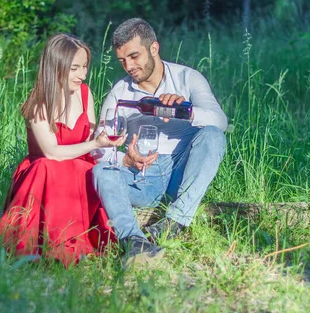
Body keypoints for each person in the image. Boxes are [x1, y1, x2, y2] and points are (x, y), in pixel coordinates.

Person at [92, 18, 227, 266]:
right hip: (143, 178)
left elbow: (220, 121)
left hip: (183, 174)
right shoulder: (119, 94)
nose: (129, 66)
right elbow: (99, 147)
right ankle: (134, 241)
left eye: (134, 56)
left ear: (154, 48)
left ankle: (174, 223)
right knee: (101, 170)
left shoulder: (188, 78)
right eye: (122, 60)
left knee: (213, 136)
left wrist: (185, 110)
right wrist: (125, 158)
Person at [0, 34, 126, 267]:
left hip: (78, 168)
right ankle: (53, 244)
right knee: (49, 167)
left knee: (91, 169)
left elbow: (93, 139)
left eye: (84, 67)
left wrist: (118, 152)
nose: (82, 74)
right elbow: (51, 152)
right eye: (74, 68)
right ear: (56, 66)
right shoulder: (38, 102)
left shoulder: (85, 94)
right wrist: (95, 144)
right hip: (43, 175)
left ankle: (81, 241)